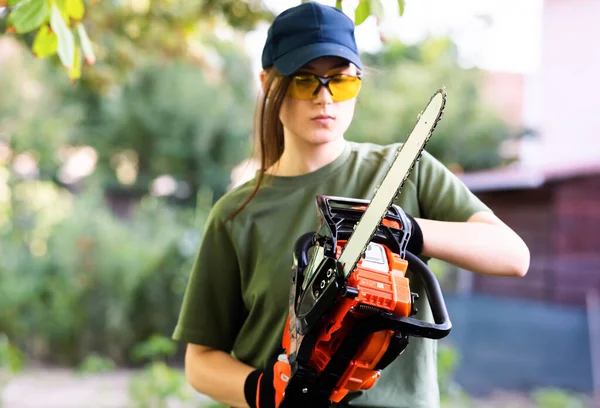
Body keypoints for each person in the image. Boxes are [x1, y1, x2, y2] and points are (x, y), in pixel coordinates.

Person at [172, 2, 530, 408]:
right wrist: (262, 391)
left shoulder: (407, 171)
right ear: (269, 83)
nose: (324, 98)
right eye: (306, 81)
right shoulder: (237, 215)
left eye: (340, 82)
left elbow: (513, 255)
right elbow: (199, 361)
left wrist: (409, 230)